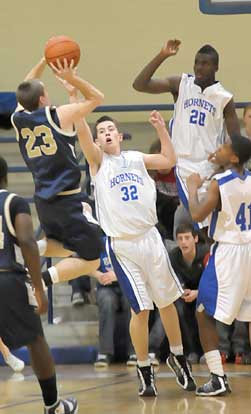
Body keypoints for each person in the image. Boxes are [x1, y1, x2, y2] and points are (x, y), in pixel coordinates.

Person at [76, 109, 196, 397]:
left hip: (150, 238)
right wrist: (76, 104)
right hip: (123, 244)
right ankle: (144, 368)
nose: (106, 132)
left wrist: (160, 129)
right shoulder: (98, 162)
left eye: (110, 129)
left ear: (119, 135)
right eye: (100, 130)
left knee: (167, 302)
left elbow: (169, 160)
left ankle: (178, 356)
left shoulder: (137, 158)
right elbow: (82, 134)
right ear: (97, 140)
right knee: (141, 309)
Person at [11, 56, 104, 288]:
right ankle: (40, 281)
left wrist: (42, 62)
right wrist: (72, 78)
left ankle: (30, 248)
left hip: (43, 199)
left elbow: (25, 88)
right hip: (68, 200)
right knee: (92, 260)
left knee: (60, 245)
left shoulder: (18, 119)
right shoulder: (58, 115)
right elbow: (97, 98)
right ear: (43, 98)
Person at [132, 39, 240, 229]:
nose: (199, 67)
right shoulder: (181, 84)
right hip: (184, 165)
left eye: (205, 63)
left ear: (216, 67)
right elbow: (140, 85)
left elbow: (236, 140)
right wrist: (162, 55)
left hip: (211, 164)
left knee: (220, 223)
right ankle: (212, 257)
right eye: (197, 62)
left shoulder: (224, 98)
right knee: (202, 222)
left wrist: (225, 166)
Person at [0, 156, 77, 413]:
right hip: (7, 278)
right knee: (35, 340)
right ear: (5, 176)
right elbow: (27, 241)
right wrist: (37, 286)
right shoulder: (13, 202)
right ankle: (53, 405)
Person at [186, 135, 251, 396]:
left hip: (230, 252)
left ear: (234, 157)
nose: (218, 148)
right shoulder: (248, 178)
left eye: (224, 147)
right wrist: (217, 166)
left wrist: (192, 187)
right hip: (249, 247)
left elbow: (196, 214)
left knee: (202, 311)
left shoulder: (218, 183)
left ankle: (217, 377)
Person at [92, 236, 135, 368]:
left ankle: (135, 351)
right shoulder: (99, 243)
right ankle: (105, 353)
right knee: (107, 301)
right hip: (106, 287)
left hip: (127, 284)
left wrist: (117, 276)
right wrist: (98, 275)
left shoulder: (129, 242)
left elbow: (137, 268)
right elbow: (84, 265)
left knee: (131, 301)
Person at [169, 223, 209, 363]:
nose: (183, 242)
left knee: (202, 308)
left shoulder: (206, 252)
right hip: (185, 294)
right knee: (178, 310)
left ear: (196, 239)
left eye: (187, 238)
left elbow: (212, 280)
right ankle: (191, 351)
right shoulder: (173, 256)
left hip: (203, 292)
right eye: (180, 238)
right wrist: (181, 291)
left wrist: (198, 293)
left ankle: (208, 351)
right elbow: (173, 279)